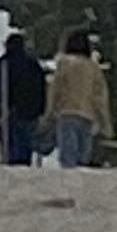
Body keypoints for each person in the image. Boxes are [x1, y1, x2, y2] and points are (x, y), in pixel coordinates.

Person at [0, 28, 48, 169]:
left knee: (9, 148)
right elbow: (42, 90)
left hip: (7, 113)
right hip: (30, 114)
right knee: (25, 148)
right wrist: (41, 111)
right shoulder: (33, 65)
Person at [47, 28, 111, 170]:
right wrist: (105, 123)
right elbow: (100, 97)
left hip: (66, 112)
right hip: (87, 114)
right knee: (83, 157)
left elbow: (55, 89)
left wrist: (50, 112)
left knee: (68, 157)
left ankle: (69, 181)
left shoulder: (64, 63)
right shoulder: (93, 68)